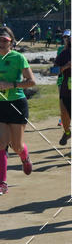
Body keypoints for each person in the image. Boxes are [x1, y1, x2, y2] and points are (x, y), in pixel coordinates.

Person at [0, 27, 35, 194]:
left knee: (17, 146)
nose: (1, 43)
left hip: (17, 104)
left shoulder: (18, 58)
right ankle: (2, 182)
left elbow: (31, 81)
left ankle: (24, 157)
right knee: (1, 144)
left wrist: (11, 85)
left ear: (11, 42)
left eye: (4, 40)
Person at [54, 30, 72, 146]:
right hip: (66, 88)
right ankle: (67, 132)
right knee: (64, 114)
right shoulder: (64, 53)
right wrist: (66, 66)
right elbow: (53, 70)